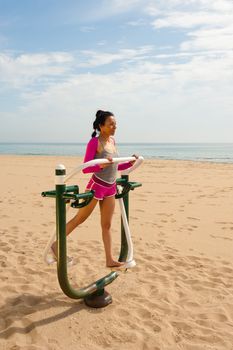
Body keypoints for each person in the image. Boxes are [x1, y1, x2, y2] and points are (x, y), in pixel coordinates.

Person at [52, 110, 137, 268]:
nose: (114, 127)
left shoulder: (112, 141)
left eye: (115, 124)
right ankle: (56, 245)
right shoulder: (94, 142)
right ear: (101, 126)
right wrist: (100, 165)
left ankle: (109, 260)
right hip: (96, 186)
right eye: (111, 124)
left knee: (106, 225)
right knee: (80, 219)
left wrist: (131, 163)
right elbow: (86, 168)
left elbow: (116, 166)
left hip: (110, 188)